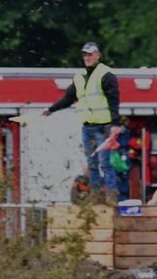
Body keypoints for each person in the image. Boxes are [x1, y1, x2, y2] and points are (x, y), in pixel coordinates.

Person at [43, 41, 121, 201]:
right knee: (91, 164)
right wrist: (51, 109)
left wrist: (115, 124)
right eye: (85, 55)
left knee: (105, 163)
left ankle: (112, 195)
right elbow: (68, 98)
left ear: (98, 56)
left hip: (104, 127)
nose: (87, 57)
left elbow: (114, 100)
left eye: (90, 54)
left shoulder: (106, 74)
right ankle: (95, 195)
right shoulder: (79, 77)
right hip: (88, 127)